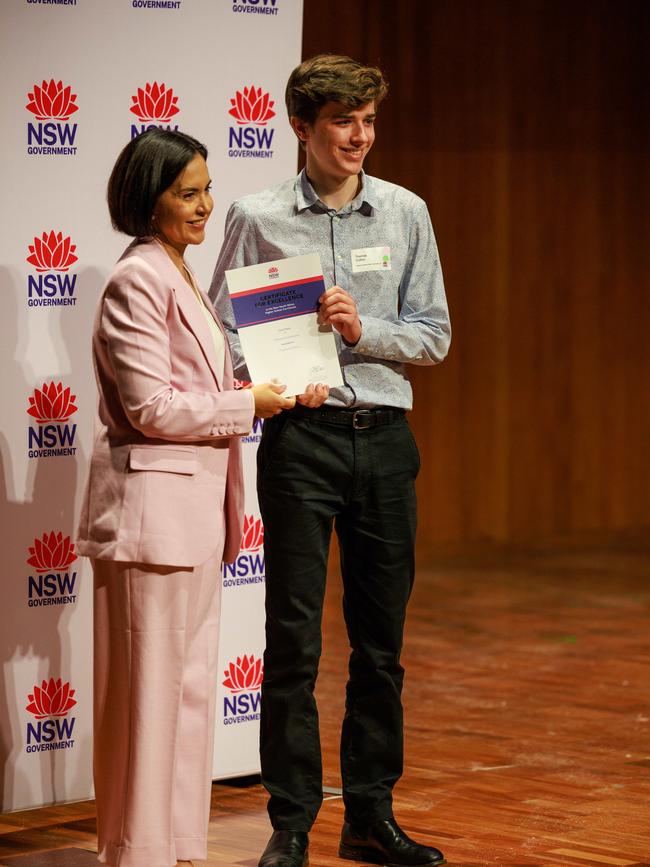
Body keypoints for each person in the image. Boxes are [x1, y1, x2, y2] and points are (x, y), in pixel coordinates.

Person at [210, 55, 451, 867]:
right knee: (294, 639)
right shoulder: (257, 214)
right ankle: (290, 821)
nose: (360, 137)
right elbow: (223, 335)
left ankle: (370, 813)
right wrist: (268, 381)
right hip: (302, 443)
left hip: (383, 438)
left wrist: (362, 332)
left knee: (381, 643)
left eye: (370, 121)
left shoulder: (405, 212)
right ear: (302, 127)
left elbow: (435, 335)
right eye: (344, 122)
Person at [76, 128, 295, 867]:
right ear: (150, 197)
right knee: (146, 701)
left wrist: (267, 390)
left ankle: (172, 846)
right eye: (187, 193)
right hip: (150, 522)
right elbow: (152, 408)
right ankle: (136, 852)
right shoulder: (138, 277)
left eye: (207, 189)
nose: (206, 206)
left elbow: (192, 392)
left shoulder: (181, 272)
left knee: (188, 692)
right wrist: (247, 405)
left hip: (194, 519)